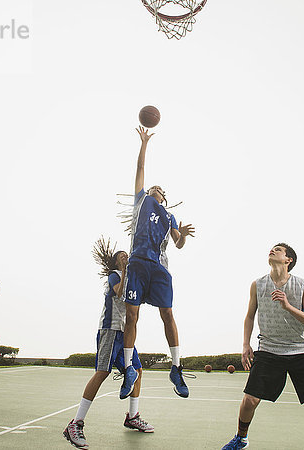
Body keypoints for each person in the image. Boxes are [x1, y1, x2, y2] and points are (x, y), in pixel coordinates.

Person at [222, 243, 304, 450]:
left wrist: (288, 306)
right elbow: (249, 316)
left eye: (278, 249)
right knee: (249, 400)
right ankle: (241, 438)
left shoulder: (302, 285)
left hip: (300, 348)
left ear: (288, 260)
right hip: (269, 349)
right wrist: (246, 344)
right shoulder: (257, 284)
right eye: (272, 248)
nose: (272, 250)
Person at [119, 126, 195, 400]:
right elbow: (139, 167)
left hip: (160, 269)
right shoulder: (141, 202)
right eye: (152, 187)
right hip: (138, 264)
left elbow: (178, 243)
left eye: (158, 189)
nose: (154, 189)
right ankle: (128, 368)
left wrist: (183, 235)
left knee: (168, 315)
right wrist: (144, 143)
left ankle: (176, 367)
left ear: (164, 197)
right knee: (132, 316)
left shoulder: (170, 217)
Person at [63, 238, 153, 450]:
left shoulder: (133, 279)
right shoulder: (115, 275)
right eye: (121, 256)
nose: (125, 256)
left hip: (125, 334)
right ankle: (75, 423)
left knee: (138, 370)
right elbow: (119, 292)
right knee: (102, 372)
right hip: (110, 330)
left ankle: (132, 416)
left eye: (126, 255)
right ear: (115, 263)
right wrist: (122, 268)